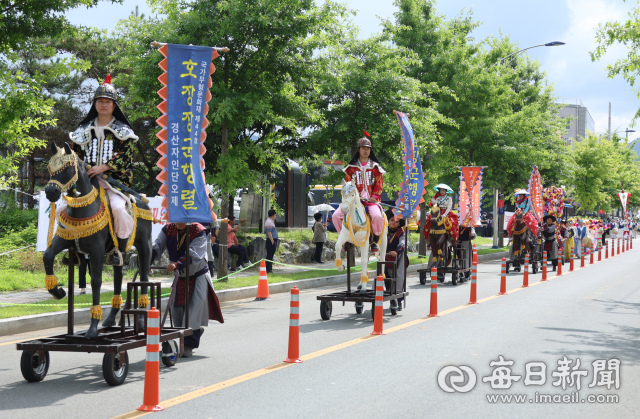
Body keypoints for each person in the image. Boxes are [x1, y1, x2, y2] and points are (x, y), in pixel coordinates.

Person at [63, 75, 138, 266]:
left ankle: (118, 250)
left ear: (114, 106)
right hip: (87, 182)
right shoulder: (83, 129)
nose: (104, 105)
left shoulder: (123, 131)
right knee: (63, 209)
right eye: (100, 101)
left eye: (108, 102)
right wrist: (84, 167)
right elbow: (74, 154)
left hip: (113, 182)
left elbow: (126, 156)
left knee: (119, 209)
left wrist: (103, 167)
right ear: (95, 104)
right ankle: (72, 249)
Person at [151, 222, 224, 357]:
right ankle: (189, 333)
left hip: (197, 274)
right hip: (180, 274)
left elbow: (195, 254)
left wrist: (177, 264)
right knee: (175, 308)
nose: (178, 222)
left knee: (194, 310)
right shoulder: (168, 228)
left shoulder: (198, 230)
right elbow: (157, 246)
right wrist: (148, 257)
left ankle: (189, 344)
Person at [331, 132, 386, 251]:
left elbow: (379, 183)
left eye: (368, 149)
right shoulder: (351, 168)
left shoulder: (375, 167)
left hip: (370, 200)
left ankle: (374, 241)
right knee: (335, 216)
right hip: (353, 201)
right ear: (359, 149)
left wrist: (375, 196)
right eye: (363, 148)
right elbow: (347, 186)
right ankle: (345, 239)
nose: (366, 151)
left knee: (376, 216)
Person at [384, 210, 408, 311]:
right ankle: (389, 298)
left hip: (397, 257)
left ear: (399, 223)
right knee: (385, 279)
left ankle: (398, 301)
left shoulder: (401, 232)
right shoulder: (383, 230)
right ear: (388, 220)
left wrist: (397, 252)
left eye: (396, 221)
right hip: (385, 258)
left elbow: (402, 244)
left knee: (398, 277)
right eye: (391, 220)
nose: (393, 222)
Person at [265, 209, 278, 273]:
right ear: (273, 215)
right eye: (275, 215)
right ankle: (268, 269)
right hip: (271, 241)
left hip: (272, 240)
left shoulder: (271, 221)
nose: (276, 216)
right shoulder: (269, 222)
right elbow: (269, 232)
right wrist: (272, 240)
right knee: (269, 255)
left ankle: (269, 268)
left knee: (271, 255)